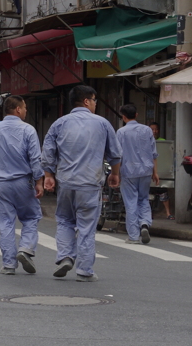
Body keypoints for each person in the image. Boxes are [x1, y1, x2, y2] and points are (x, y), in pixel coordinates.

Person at [41, 85, 122, 282]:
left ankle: (66, 256)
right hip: (90, 183)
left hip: (66, 183)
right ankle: (85, 270)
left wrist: (48, 175)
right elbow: (115, 154)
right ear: (86, 101)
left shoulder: (59, 124)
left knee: (64, 220)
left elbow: (48, 152)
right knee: (86, 227)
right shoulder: (102, 123)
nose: (95, 104)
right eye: (94, 100)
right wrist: (115, 175)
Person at [0, 95, 45, 275]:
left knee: (6, 223)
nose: (26, 111)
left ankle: (9, 264)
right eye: (24, 108)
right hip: (23, 182)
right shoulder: (28, 130)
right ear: (18, 109)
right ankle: (25, 248)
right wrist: (39, 181)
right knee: (31, 218)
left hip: (0, 184)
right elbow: (35, 159)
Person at [117, 104, 158, 245]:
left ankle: (134, 236)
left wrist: (115, 174)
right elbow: (153, 153)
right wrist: (155, 172)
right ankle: (145, 223)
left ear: (123, 117)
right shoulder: (147, 130)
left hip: (128, 171)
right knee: (143, 199)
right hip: (146, 170)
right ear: (136, 114)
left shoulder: (121, 132)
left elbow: (118, 155)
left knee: (131, 203)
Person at [149, 122, 173, 219]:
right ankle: (149, 214)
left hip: (160, 171)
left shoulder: (163, 142)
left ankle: (168, 213)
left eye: (156, 129)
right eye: (152, 129)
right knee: (148, 194)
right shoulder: (146, 141)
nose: (154, 131)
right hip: (149, 172)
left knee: (164, 192)